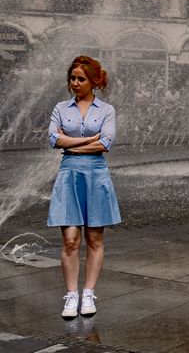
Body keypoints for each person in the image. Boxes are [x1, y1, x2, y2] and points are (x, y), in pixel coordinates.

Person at [47, 56, 121, 319]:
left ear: (94, 81)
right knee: (69, 240)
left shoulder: (106, 110)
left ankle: (89, 292)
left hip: (96, 175)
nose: (75, 83)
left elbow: (105, 144)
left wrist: (71, 143)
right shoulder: (60, 108)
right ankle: (71, 295)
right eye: (73, 78)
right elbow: (54, 139)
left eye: (81, 79)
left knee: (93, 239)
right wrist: (88, 139)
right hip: (68, 175)